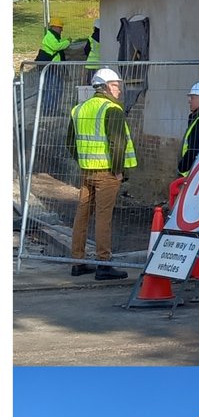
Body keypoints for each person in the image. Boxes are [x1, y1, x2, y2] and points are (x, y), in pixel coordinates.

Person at [66, 67, 137, 279]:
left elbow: (70, 142)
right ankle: (103, 263)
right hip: (107, 173)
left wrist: (84, 162)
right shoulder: (111, 109)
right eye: (116, 85)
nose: (120, 90)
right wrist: (118, 171)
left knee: (82, 214)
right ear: (105, 87)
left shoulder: (79, 109)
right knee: (104, 217)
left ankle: (77, 261)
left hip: (87, 171)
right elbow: (117, 143)